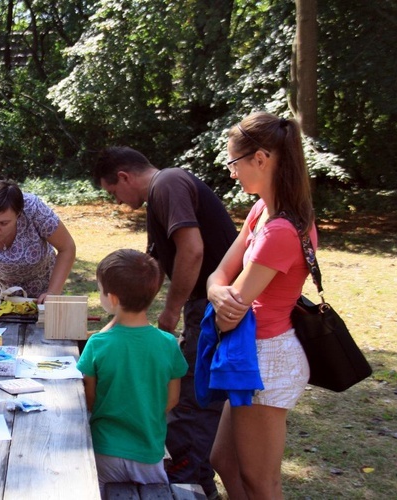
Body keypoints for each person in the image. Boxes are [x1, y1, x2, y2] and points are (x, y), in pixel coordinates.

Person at [94, 146, 237, 498]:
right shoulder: (161, 194)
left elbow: (192, 250)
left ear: (125, 177)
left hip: (212, 307)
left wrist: (171, 310)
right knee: (199, 401)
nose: (117, 200)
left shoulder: (167, 183)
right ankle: (200, 483)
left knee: (192, 402)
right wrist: (123, 315)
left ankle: (186, 485)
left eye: (113, 191)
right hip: (206, 307)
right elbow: (151, 265)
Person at [205, 112, 315, 499]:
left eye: (234, 163)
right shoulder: (260, 211)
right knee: (224, 461)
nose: (232, 173)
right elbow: (219, 278)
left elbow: (235, 301)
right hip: (250, 353)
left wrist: (219, 292)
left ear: (261, 159)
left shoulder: (281, 230)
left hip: (268, 359)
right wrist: (217, 290)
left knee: (260, 482)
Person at [77, 249, 188, 499]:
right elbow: (172, 400)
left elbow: (89, 397)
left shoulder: (98, 344)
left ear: (113, 299)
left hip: (104, 450)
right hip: (149, 451)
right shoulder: (168, 343)